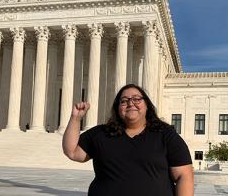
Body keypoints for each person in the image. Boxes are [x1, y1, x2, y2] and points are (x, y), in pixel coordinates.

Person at [63, 84, 194, 196]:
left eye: (137, 99)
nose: (131, 103)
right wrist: (75, 118)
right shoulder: (101, 133)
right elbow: (72, 152)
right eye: (124, 101)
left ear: (147, 105)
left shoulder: (165, 134)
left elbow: (184, 175)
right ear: (117, 108)